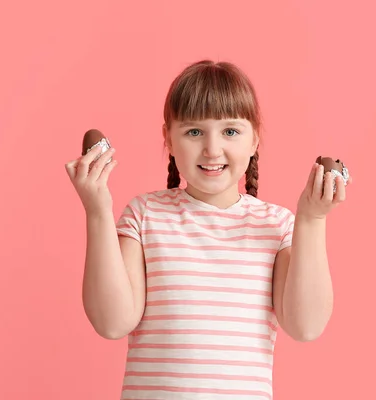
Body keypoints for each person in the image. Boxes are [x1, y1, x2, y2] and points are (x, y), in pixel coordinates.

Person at [65, 60, 349, 399]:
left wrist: (312, 220)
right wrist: (97, 212)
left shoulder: (276, 225)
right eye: (194, 131)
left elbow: (306, 326)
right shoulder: (145, 215)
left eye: (230, 131)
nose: (212, 149)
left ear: (255, 139)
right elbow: (112, 322)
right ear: (168, 139)